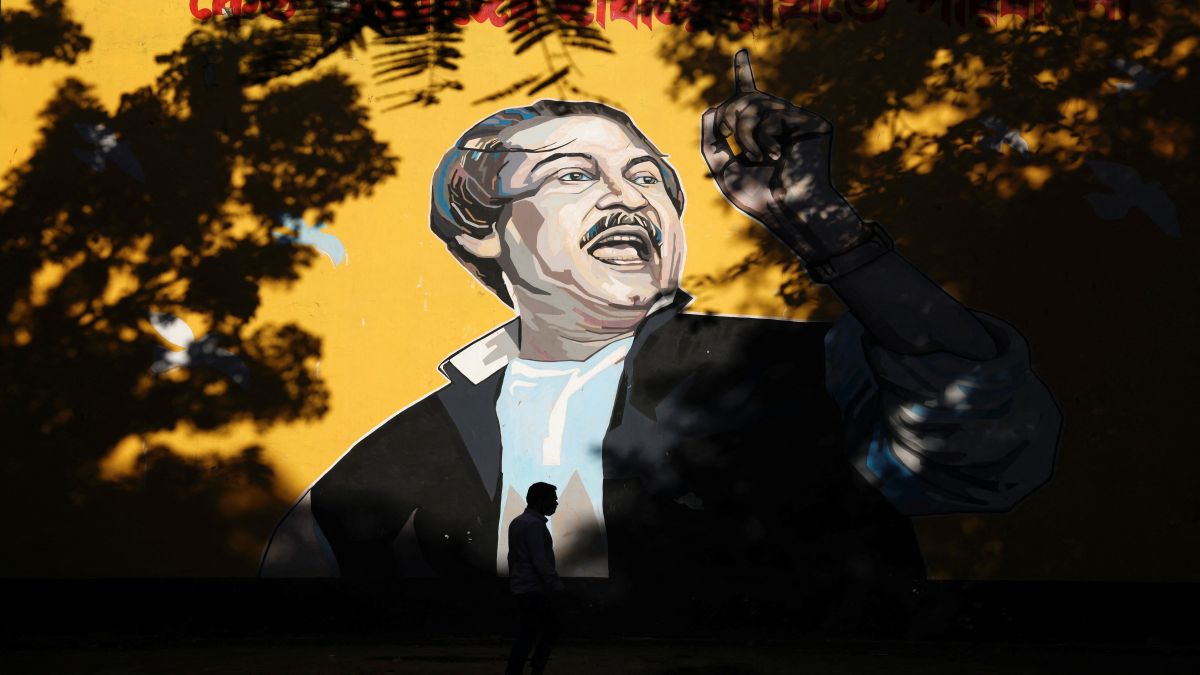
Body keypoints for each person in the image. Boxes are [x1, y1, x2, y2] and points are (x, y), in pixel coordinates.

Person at [260, 51, 1060, 620]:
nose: (628, 198)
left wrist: (828, 228)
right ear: (481, 232)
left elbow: (985, 441)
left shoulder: (801, 370)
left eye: (647, 177)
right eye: (575, 174)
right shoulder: (379, 471)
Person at [506, 482, 564, 675]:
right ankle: (534, 668)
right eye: (552, 499)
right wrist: (555, 584)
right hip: (535, 589)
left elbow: (512, 557)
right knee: (543, 630)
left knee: (528, 634)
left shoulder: (517, 522)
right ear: (541, 500)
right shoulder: (534, 525)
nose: (556, 502)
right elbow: (540, 560)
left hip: (522, 587)